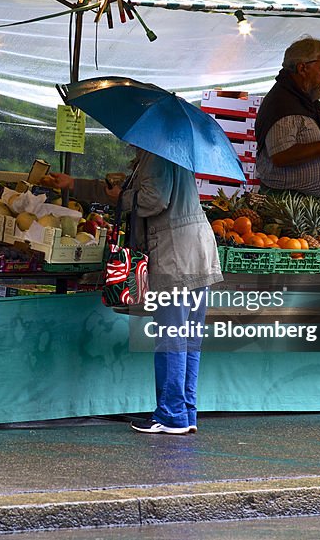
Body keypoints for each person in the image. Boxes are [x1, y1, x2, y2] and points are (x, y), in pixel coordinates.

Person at [44, 148, 222, 435]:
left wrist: (123, 198)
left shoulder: (157, 154)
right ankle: (185, 411)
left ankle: (171, 415)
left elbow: (154, 200)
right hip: (197, 252)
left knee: (171, 336)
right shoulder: (173, 153)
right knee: (188, 338)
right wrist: (75, 184)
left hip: (175, 254)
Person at [254, 37, 320, 197]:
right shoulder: (283, 102)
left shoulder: (301, 98)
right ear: (302, 68)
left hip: (305, 203)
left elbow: (298, 130)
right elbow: (281, 156)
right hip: (287, 202)